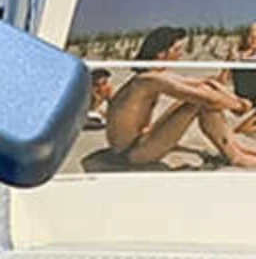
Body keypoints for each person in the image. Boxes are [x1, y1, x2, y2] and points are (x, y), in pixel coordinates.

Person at [102, 26, 256, 168]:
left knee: (200, 94)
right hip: (131, 152)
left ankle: (235, 148)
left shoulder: (152, 74)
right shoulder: (150, 80)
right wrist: (239, 106)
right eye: (176, 49)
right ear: (161, 53)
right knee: (199, 102)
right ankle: (235, 155)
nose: (180, 54)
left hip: (140, 140)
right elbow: (208, 99)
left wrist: (235, 100)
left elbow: (204, 83)